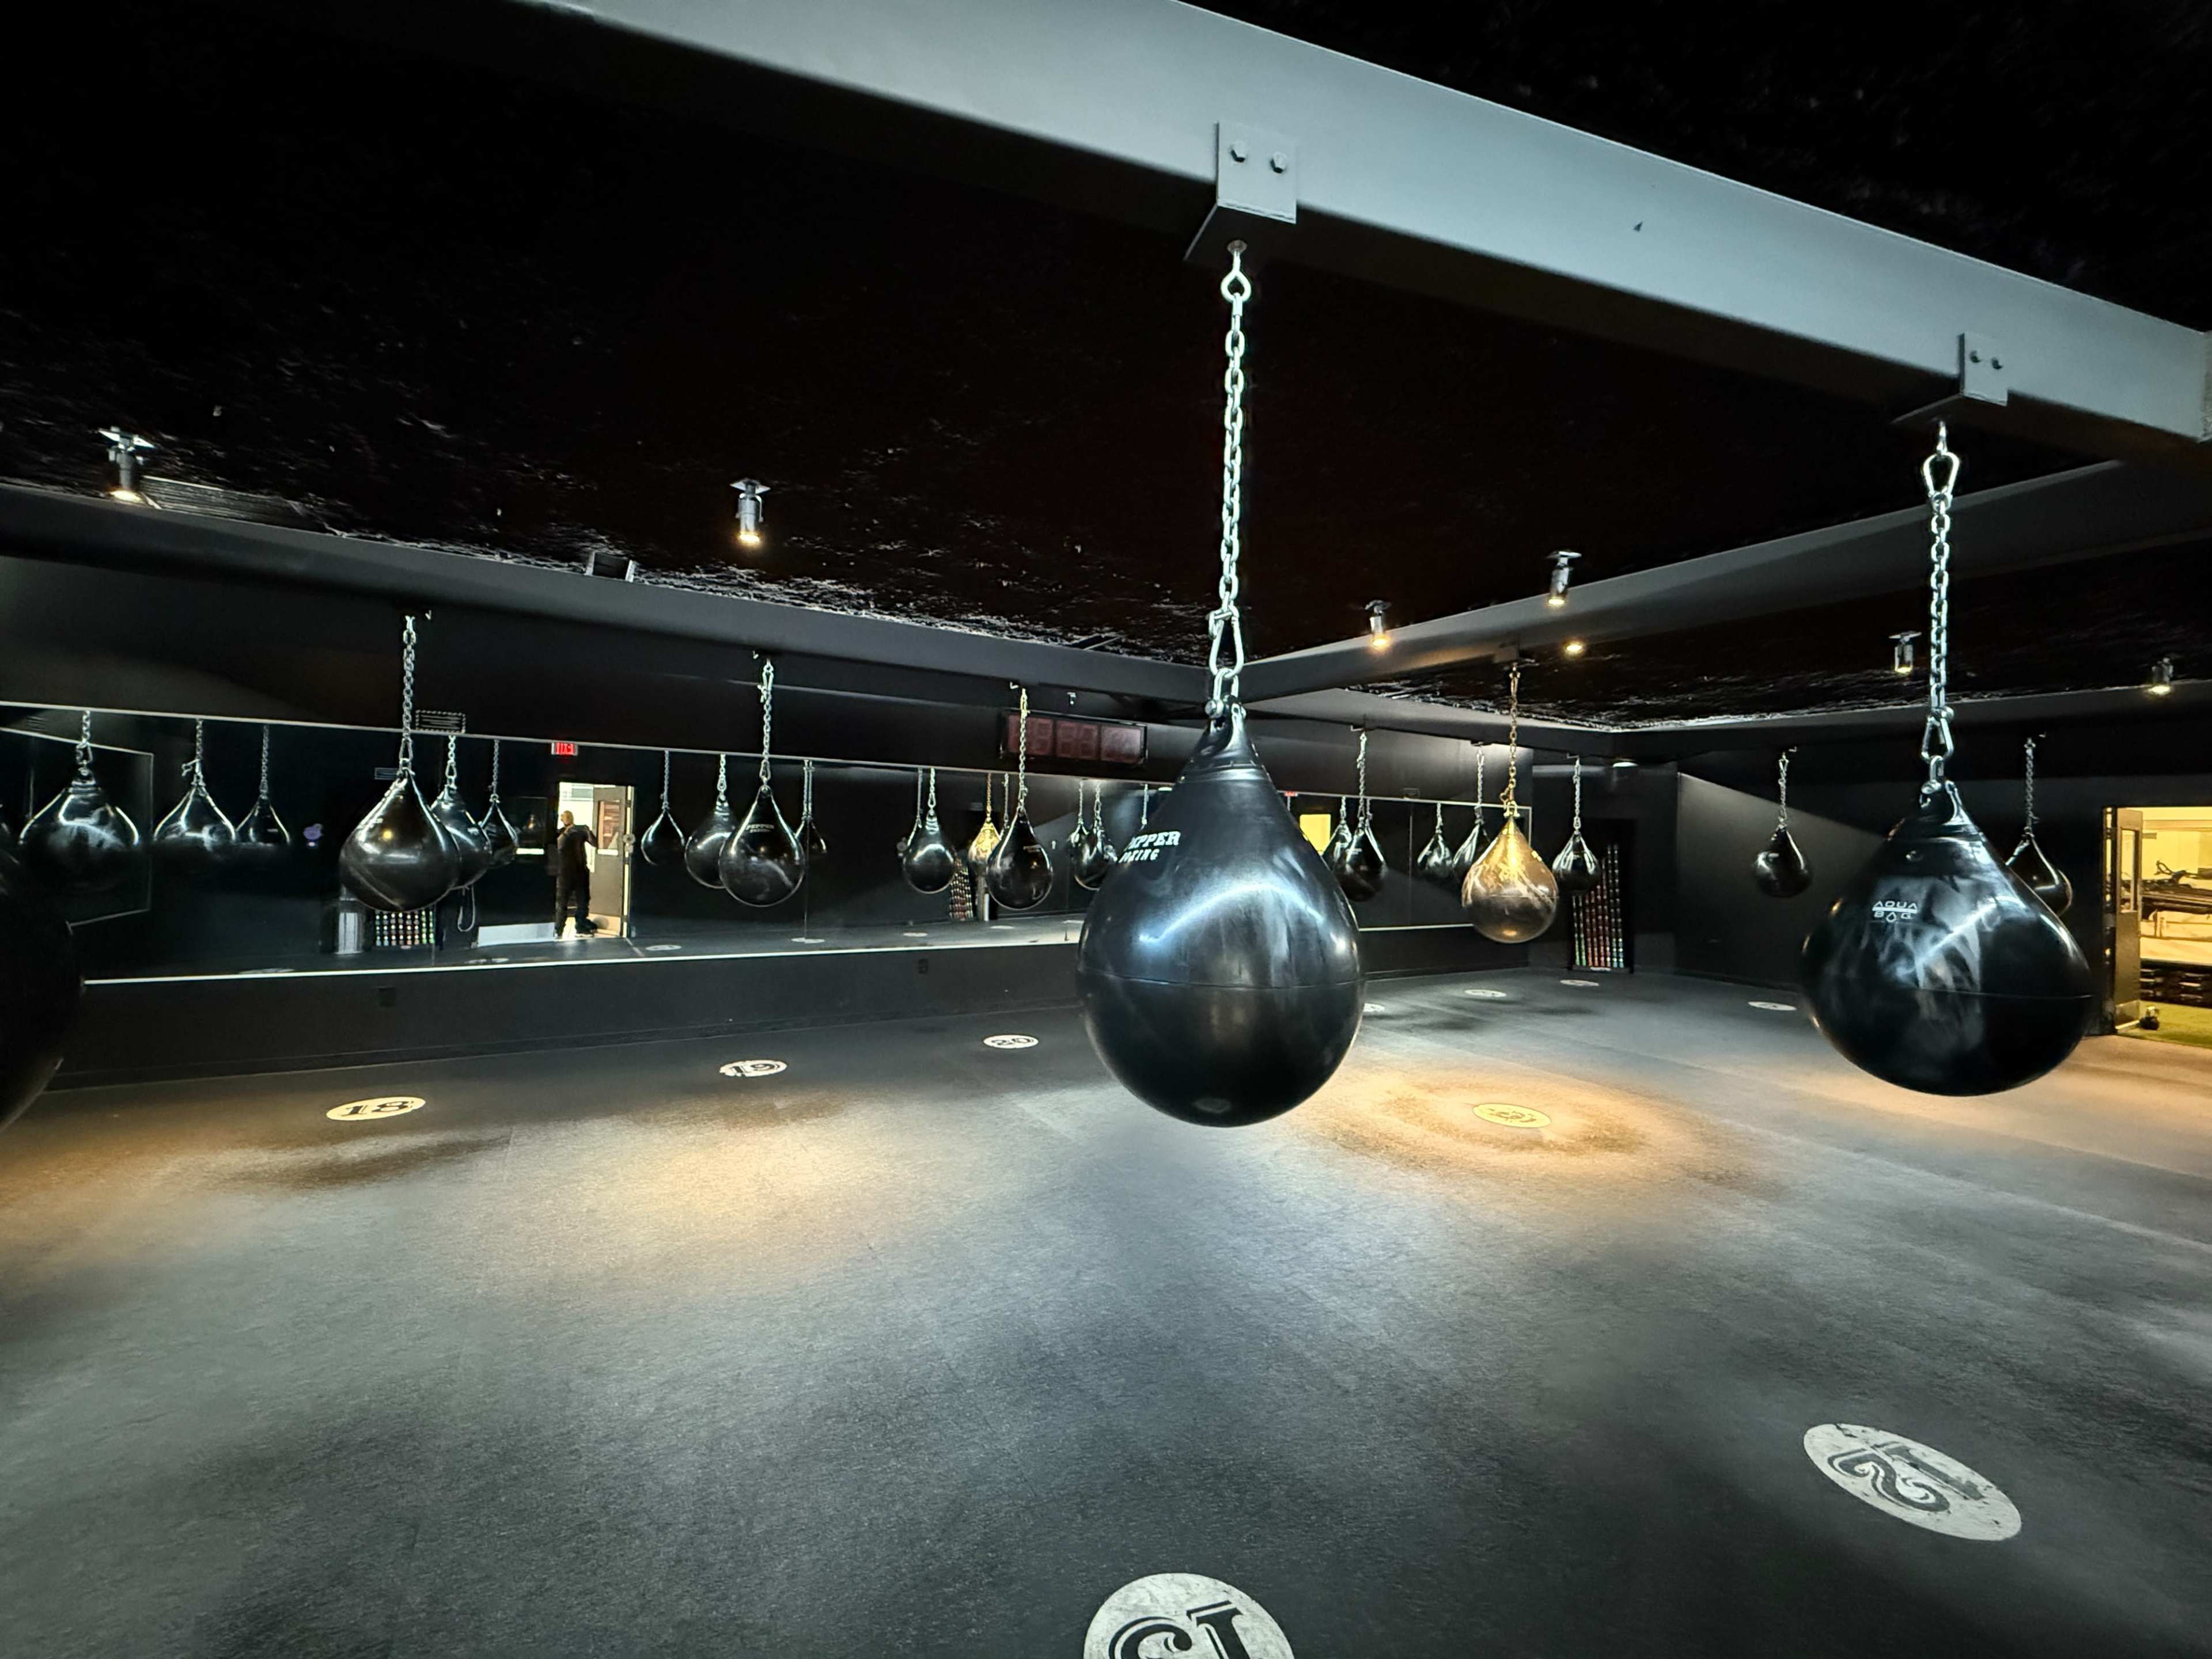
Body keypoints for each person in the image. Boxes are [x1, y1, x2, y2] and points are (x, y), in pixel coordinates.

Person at [551, 809, 599, 937]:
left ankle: (581, 927)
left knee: (583, 901)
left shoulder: (580, 832)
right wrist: (567, 832)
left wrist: (588, 831)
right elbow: (559, 846)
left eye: (569, 817)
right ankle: (558, 929)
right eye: (565, 817)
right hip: (564, 873)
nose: (568, 819)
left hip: (580, 871)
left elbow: (595, 843)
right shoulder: (560, 833)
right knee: (562, 903)